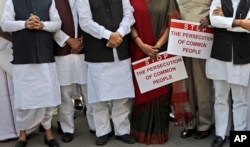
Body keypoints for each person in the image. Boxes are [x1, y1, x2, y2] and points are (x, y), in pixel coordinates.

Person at [1, 0, 62, 147]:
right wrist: (25, 24)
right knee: (23, 99)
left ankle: (48, 133)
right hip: (23, 57)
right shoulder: (12, 2)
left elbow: (57, 23)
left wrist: (42, 25)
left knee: (47, 97)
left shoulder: (49, 1)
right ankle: (22, 135)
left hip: (45, 56)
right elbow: (4, 24)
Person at [77, 0, 135, 145]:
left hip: (120, 48)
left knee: (122, 95)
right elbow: (85, 22)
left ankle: (122, 130)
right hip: (97, 51)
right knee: (99, 96)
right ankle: (102, 131)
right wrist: (108, 35)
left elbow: (129, 15)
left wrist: (119, 34)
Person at [129, 0, 181, 144]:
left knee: (161, 90)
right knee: (142, 89)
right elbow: (129, 22)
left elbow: (173, 24)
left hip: (160, 51)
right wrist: (142, 45)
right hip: (139, 49)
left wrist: (156, 47)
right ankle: (139, 131)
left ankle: (159, 132)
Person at [207, 0, 250, 147]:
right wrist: (239, 22)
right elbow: (213, 19)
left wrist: (226, 20)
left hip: (242, 55)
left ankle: (240, 136)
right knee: (220, 97)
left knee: (240, 99)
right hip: (220, 55)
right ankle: (221, 134)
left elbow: (249, 27)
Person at [53, 0, 94, 142]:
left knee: (89, 89)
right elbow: (50, 23)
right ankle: (67, 128)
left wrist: (82, 42)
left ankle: (95, 125)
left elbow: (92, 20)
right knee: (65, 93)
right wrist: (70, 41)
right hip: (63, 51)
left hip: (85, 50)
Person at [175, 0, 214, 140]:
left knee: (201, 81)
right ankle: (190, 122)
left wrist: (209, 18)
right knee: (186, 82)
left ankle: (205, 123)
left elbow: (220, 5)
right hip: (180, 37)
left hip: (201, 37)